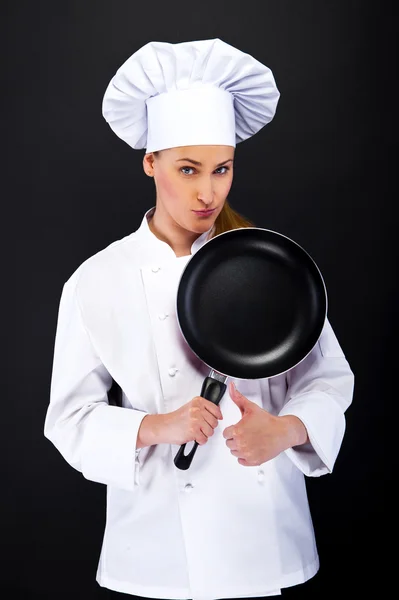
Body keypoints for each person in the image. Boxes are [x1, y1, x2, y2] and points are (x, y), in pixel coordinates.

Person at [44, 38, 355, 600]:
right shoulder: (97, 280)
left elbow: (329, 379)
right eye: (187, 169)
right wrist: (158, 426)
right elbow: (68, 419)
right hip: (154, 550)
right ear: (150, 161)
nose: (207, 192)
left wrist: (285, 430)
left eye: (222, 169)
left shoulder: (265, 262)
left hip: (267, 543)